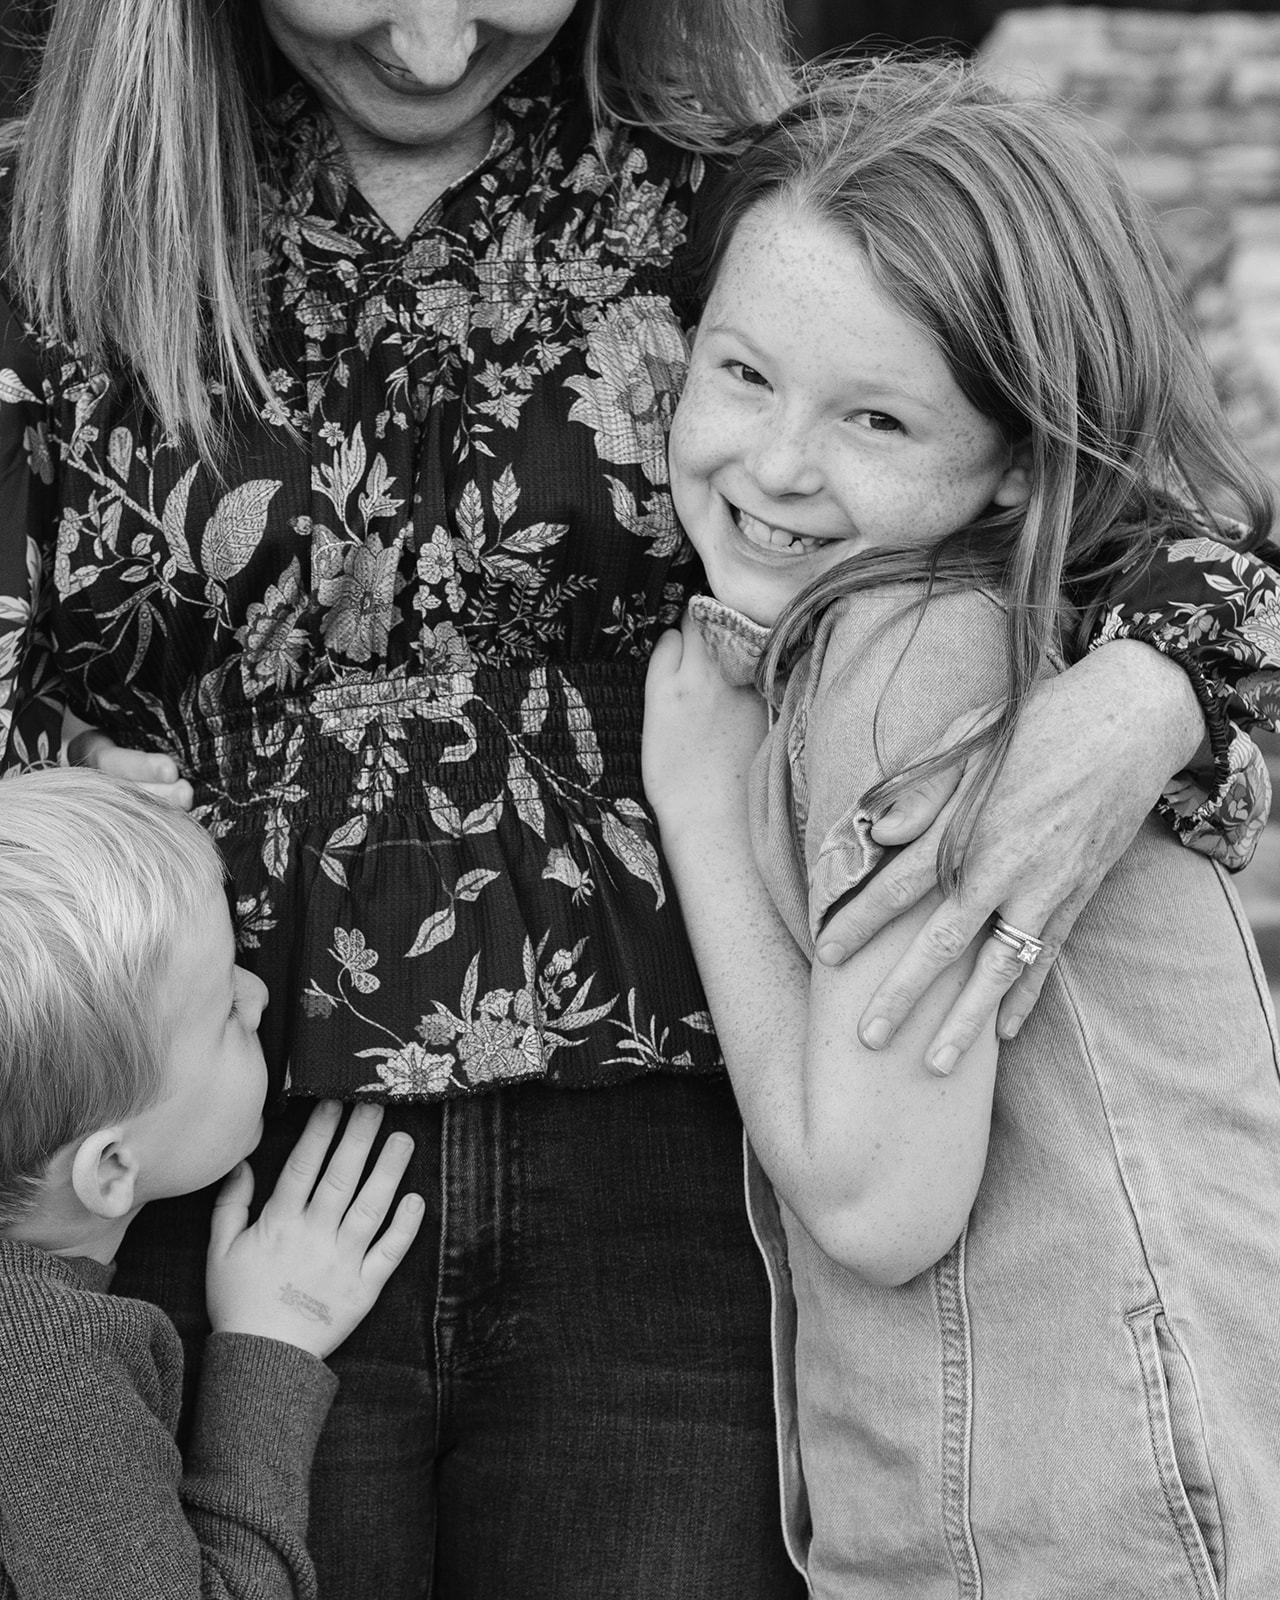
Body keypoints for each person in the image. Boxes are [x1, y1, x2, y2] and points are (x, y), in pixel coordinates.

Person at [0, 5, 1276, 1595]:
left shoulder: (736, 205)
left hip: (666, 1178)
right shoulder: (50, 234)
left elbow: (1137, 492)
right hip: (205, 1157)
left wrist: (1150, 690)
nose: (429, 36)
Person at [642, 57, 1280, 1596]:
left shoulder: (908, 664)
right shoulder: (1014, 622)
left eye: (875, 416)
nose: (779, 465)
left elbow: (877, 1196)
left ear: (1013, 462)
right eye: (741, 374)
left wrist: (697, 807)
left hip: (1061, 1523)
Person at [0, 767, 423, 1600]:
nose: (262, 994)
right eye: (225, 1009)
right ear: (110, 1169)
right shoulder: (40, 1368)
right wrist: (272, 1347)